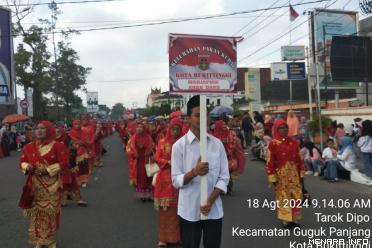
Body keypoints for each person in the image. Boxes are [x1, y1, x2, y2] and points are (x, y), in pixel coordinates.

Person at [171, 95, 230, 248]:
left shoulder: (217, 145)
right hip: (189, 210)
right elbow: (176, 180)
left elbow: (224, 177)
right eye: (198, 115)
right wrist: (194, 172)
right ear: (188, 118)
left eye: (206, 115)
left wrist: (210, 200)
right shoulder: (179, 146)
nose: (203, 119)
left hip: (213, 209)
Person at [19, 121, 69, 248]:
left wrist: (47, 169)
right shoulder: (28, 147)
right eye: (37, 128)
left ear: (49, 130)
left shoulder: (58, 146)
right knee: (36, 213)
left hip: (51, 186)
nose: (39, 131)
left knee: (50, 212)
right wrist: (26, 166)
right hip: (34, 186)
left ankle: (51, 240)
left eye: (43, 128)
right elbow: (22, 161)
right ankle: (39, 240)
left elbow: (64, 163)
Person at [266, 119, 305, 228]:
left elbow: (299, 159)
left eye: (285, 127)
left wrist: (301, 173)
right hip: (281, 176)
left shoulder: (293, 142)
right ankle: (286, 221)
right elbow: (270, 161)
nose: (284, 130)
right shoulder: (273, 144)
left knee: (295, 196)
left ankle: (295, 219)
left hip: (294, 175)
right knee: (283, 197)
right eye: (281, 128)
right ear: (276, 129)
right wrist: (272, 177)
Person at [154, 118, 183, 247]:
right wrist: (168, 162)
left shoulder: (184, 143)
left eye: (178, 129)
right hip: (165, 180)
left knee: (179, 211)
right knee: (165, 211)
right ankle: (163, 238)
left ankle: (177, 237)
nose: (175, 131)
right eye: (173, 128)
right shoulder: (162, 142)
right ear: (169, 129)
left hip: (180, 181)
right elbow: (157, 158)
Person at [56, 126, 88, 207]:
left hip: (69, 165)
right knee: (63, 183)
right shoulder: (51, 141)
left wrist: (67, 158)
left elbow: (74, 151)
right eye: (55, 132)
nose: (56, 134)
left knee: (71, 183)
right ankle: (64, 200)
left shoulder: (68, 140)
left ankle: (78, 200)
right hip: (56, 167)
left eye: (58, 132)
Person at [213, 120, 245, 195]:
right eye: (222, 125)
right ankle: (220, 189)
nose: (224, 126)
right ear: (218, 126)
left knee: (228, 174)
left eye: (225, 124)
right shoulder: (214, 136)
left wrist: (230, 148)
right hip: (218, 158)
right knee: (219, 174)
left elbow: (235, 144)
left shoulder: (230, 133)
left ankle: (229, 189)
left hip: (229, 156)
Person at [126, 120, 154, 200]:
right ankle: (142, 195)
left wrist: (150, 151)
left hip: (147, 160)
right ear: (135, 128)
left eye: (141, 127)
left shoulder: (148, 137)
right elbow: (128, 149)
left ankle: (148, 195)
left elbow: (154, 148)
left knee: (148, 177)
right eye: (137, 127)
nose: (139, 128)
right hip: (137, 162)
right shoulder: (132, 138)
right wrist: (133, 154)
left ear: (144, 128)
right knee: (140, 177)